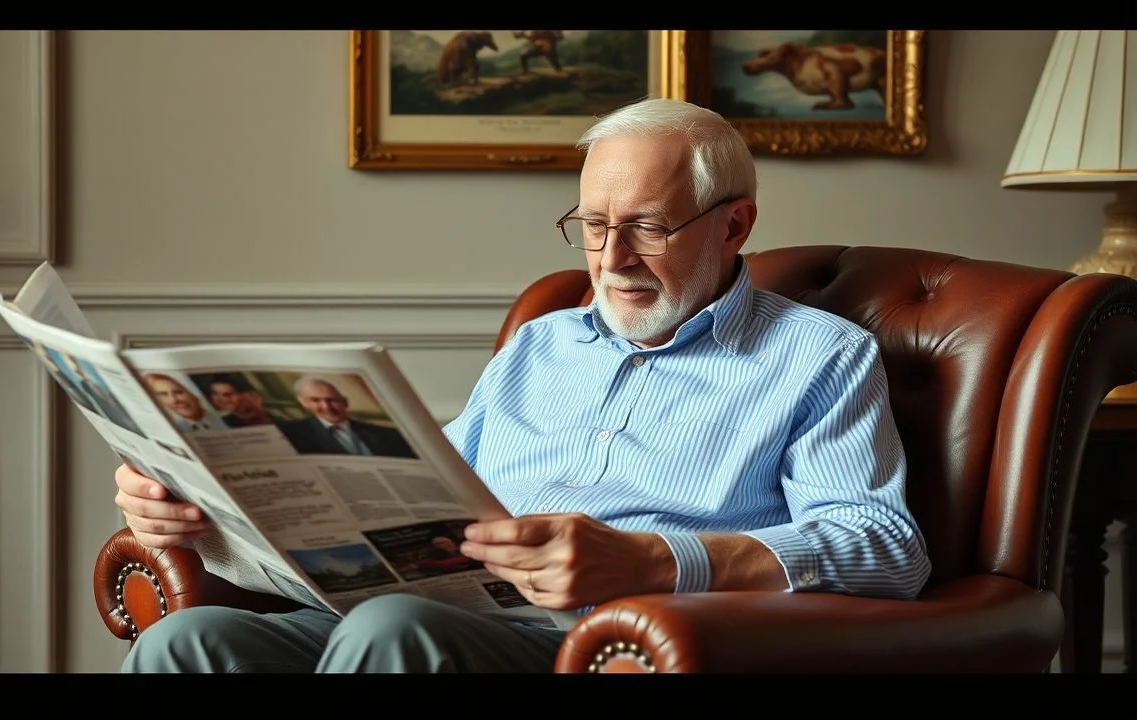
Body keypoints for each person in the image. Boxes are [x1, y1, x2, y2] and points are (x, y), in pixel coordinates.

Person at [111, 97, 932, 673]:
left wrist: (656, 559)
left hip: (600, 642)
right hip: (439, 612)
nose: (612, 260)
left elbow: (885, 547)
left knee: (396, 630)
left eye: (647, 226)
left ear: (734, 224)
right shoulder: (541, 343)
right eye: (595, 226)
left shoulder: (819, 356)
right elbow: (417, 504)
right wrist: (200, 515)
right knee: (187, 644)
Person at [277, 375, 417, 458]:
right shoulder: (290, 435)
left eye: (332, 400)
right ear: (304, 403)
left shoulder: (388, 435)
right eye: (316, 400)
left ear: (345, 402)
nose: (326, 407)